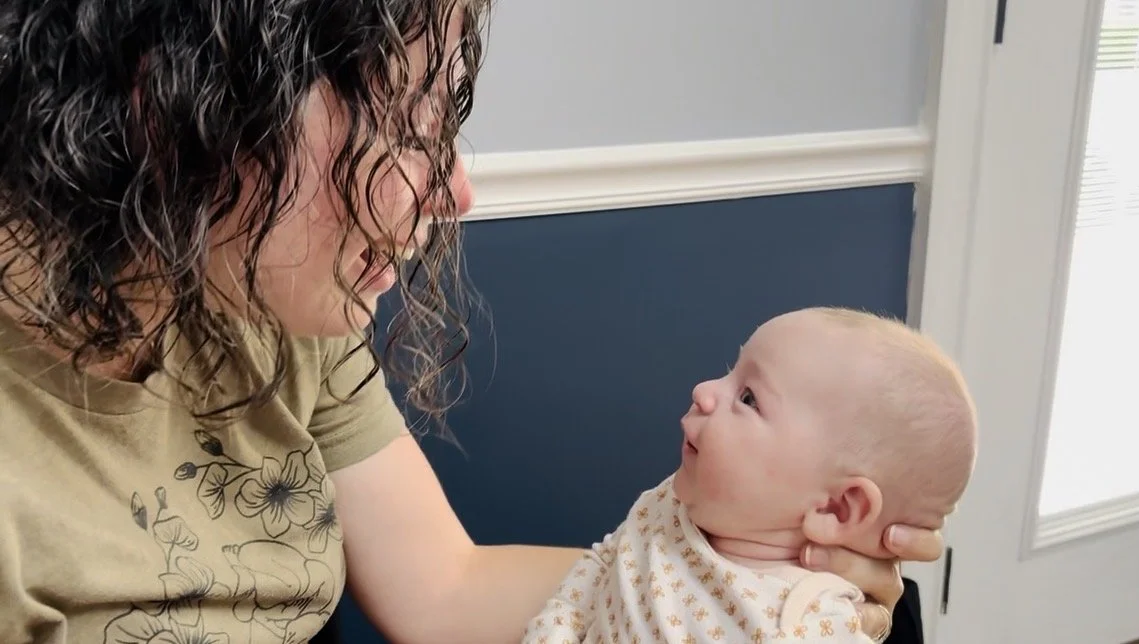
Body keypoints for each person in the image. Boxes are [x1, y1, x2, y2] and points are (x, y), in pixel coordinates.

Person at [0, 1, 946, 642]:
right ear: (178, 99)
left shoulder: (273, 307)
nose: (457, 189)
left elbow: (444, 590)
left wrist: (738, 586)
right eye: (411, 121)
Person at [521, 308, 977, 643]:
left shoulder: (806, 626)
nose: (702, 391)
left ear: (836, 507)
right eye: (728, 372)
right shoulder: (669, 506)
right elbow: (600, 571)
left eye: (749, 398)